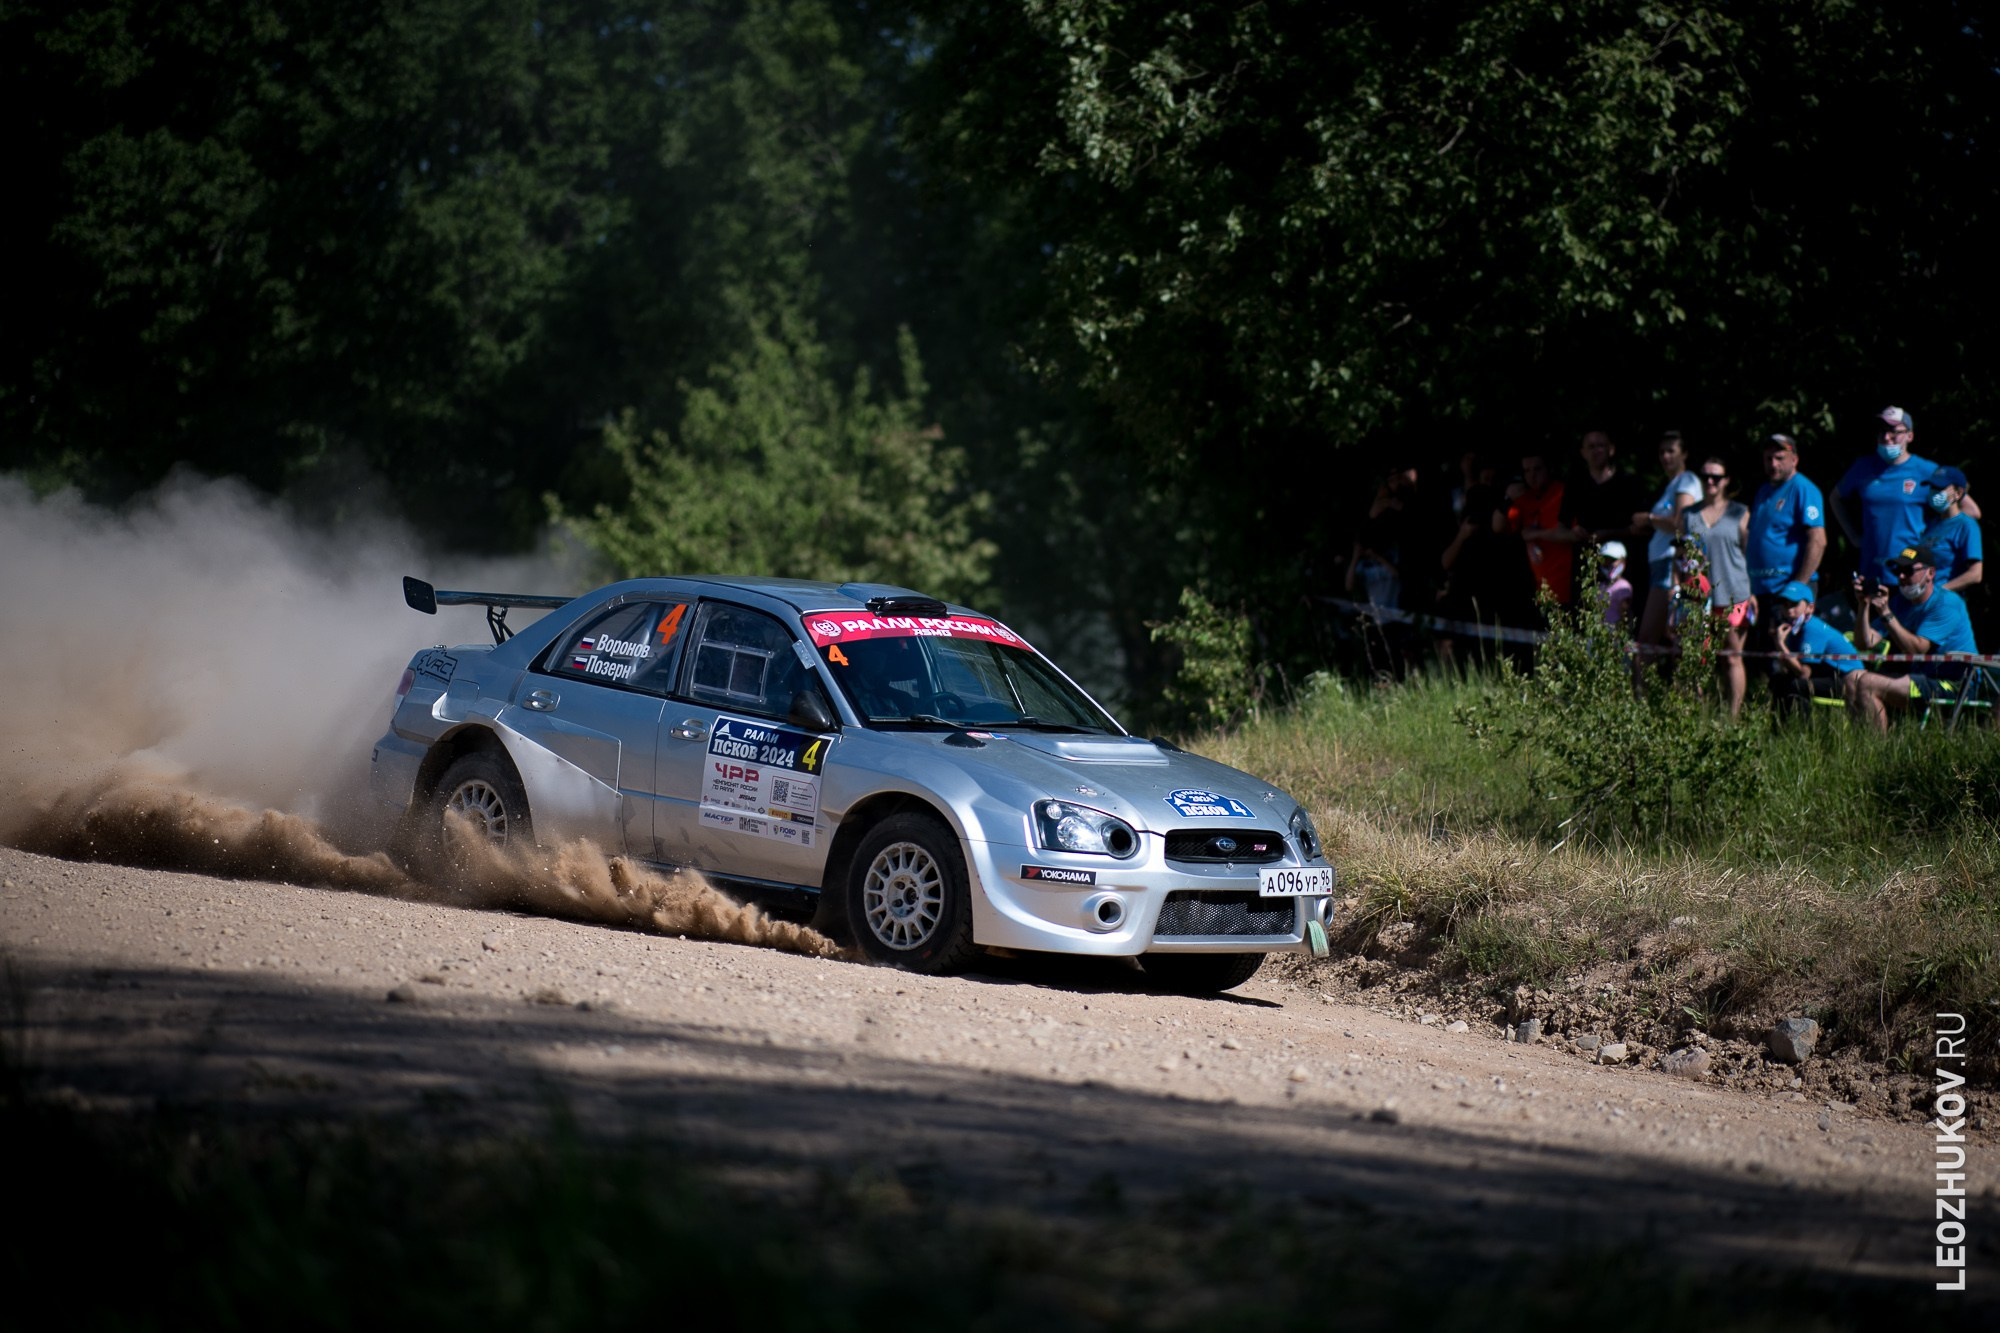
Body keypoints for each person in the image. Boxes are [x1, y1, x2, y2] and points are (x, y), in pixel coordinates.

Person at [1842, 545, 1980, 730]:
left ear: (1930, 573)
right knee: (1853, 678)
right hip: (1921, 677)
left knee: (1867, 683)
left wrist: (1886, 613)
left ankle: (1877, 751)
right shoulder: (1901, 602)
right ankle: (1862, 746)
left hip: (1955, 684)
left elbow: (1917, 649)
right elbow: (1864, 643)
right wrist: (1863, 606)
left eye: (1907, 571)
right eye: (1898, 571)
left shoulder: (1947, 603)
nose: (1900, 577)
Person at [1681, 456, 1754, 717]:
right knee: (1697, 658)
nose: (1710, 482)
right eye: (1705, 476)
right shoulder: (1688, 514)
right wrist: (1674, 588)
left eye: (1716, 477)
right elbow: (1680, 554)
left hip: (1735, 592)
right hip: (1698, 596)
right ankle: (1695, 716)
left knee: (1732, 657)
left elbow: (1750, 554)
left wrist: (1753, 591)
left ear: (1726, 481)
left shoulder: (1740, 512)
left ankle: (1732, 719)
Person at [1833, 406, 1936, 584]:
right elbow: (1835, 497)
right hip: (1872, 571)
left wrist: (1933, 541)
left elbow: (1965, 508)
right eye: (1882, 432)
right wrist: (1854, 537)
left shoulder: (1927, 470)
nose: (1887, 438)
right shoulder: (1863, 467)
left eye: (1894, 432)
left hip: (1911, 574)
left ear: (1909, 436)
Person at [1631, 431, 1702, 679]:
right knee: (1668, 638)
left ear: (1684, 454)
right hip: (1665, 566)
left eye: (1671, 451)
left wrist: (1649, 519)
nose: (1665, 457)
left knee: (1651, 637)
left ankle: (1642, 700)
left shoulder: (1686, 482)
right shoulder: (1672, 485)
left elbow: (1681, 524)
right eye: (1662, 452)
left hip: (1673, 566)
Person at [1768, 581, 1863, 717]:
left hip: (1849, 681)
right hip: (1829, 676)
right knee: (1778, 681)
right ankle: (1778, 730)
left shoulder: (1812, 629)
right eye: (1785, 604)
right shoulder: (1795, 628)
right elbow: (1788, 668)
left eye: (1794, 604)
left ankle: (1800, 731)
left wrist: (1780, 645)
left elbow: (1803, 673)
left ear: (1810, 608)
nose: (1789, 610)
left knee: (1797, 685)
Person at [1557, 429, 1650, 550]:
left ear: (1611, 449)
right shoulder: (1575, 484)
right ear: (1583, 452)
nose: (1596, 451)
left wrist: (1609, 534)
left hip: (1623, 559)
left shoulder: (1629, 482)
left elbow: (1645, 528)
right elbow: (1561, 528)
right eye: (1591, 447)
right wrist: (1573, 534)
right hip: (1588, 559)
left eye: (1601, 445)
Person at [1497, 452, 1571, 605]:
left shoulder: (1563, 493)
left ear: (1549, 469)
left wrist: (1535, 534)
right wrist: (1507, 499)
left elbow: (1574, 534)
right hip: (1535, 591)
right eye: (1527, 471)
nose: (1532, 476)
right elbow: (1498, 527)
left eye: (1537, 469)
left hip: (1565, 589)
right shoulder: (1522, 498)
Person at [1920, 466, 1983, 593]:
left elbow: (1975, 574)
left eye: (1940, 488)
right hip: (1923, 602)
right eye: (1933, 487)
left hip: (1947, 604)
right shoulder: (1931, 524)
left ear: (1958, 493)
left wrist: (1939, 592)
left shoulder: (1966, 525)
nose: (1934, 492)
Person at [1599, 540, 1634, 629]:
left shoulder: (1623, 586)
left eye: (1613, 560)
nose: (1609, 563)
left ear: (1623, 561)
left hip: (1614, 633)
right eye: (1605, 560)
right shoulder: (1601, 585)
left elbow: (1625, 614)